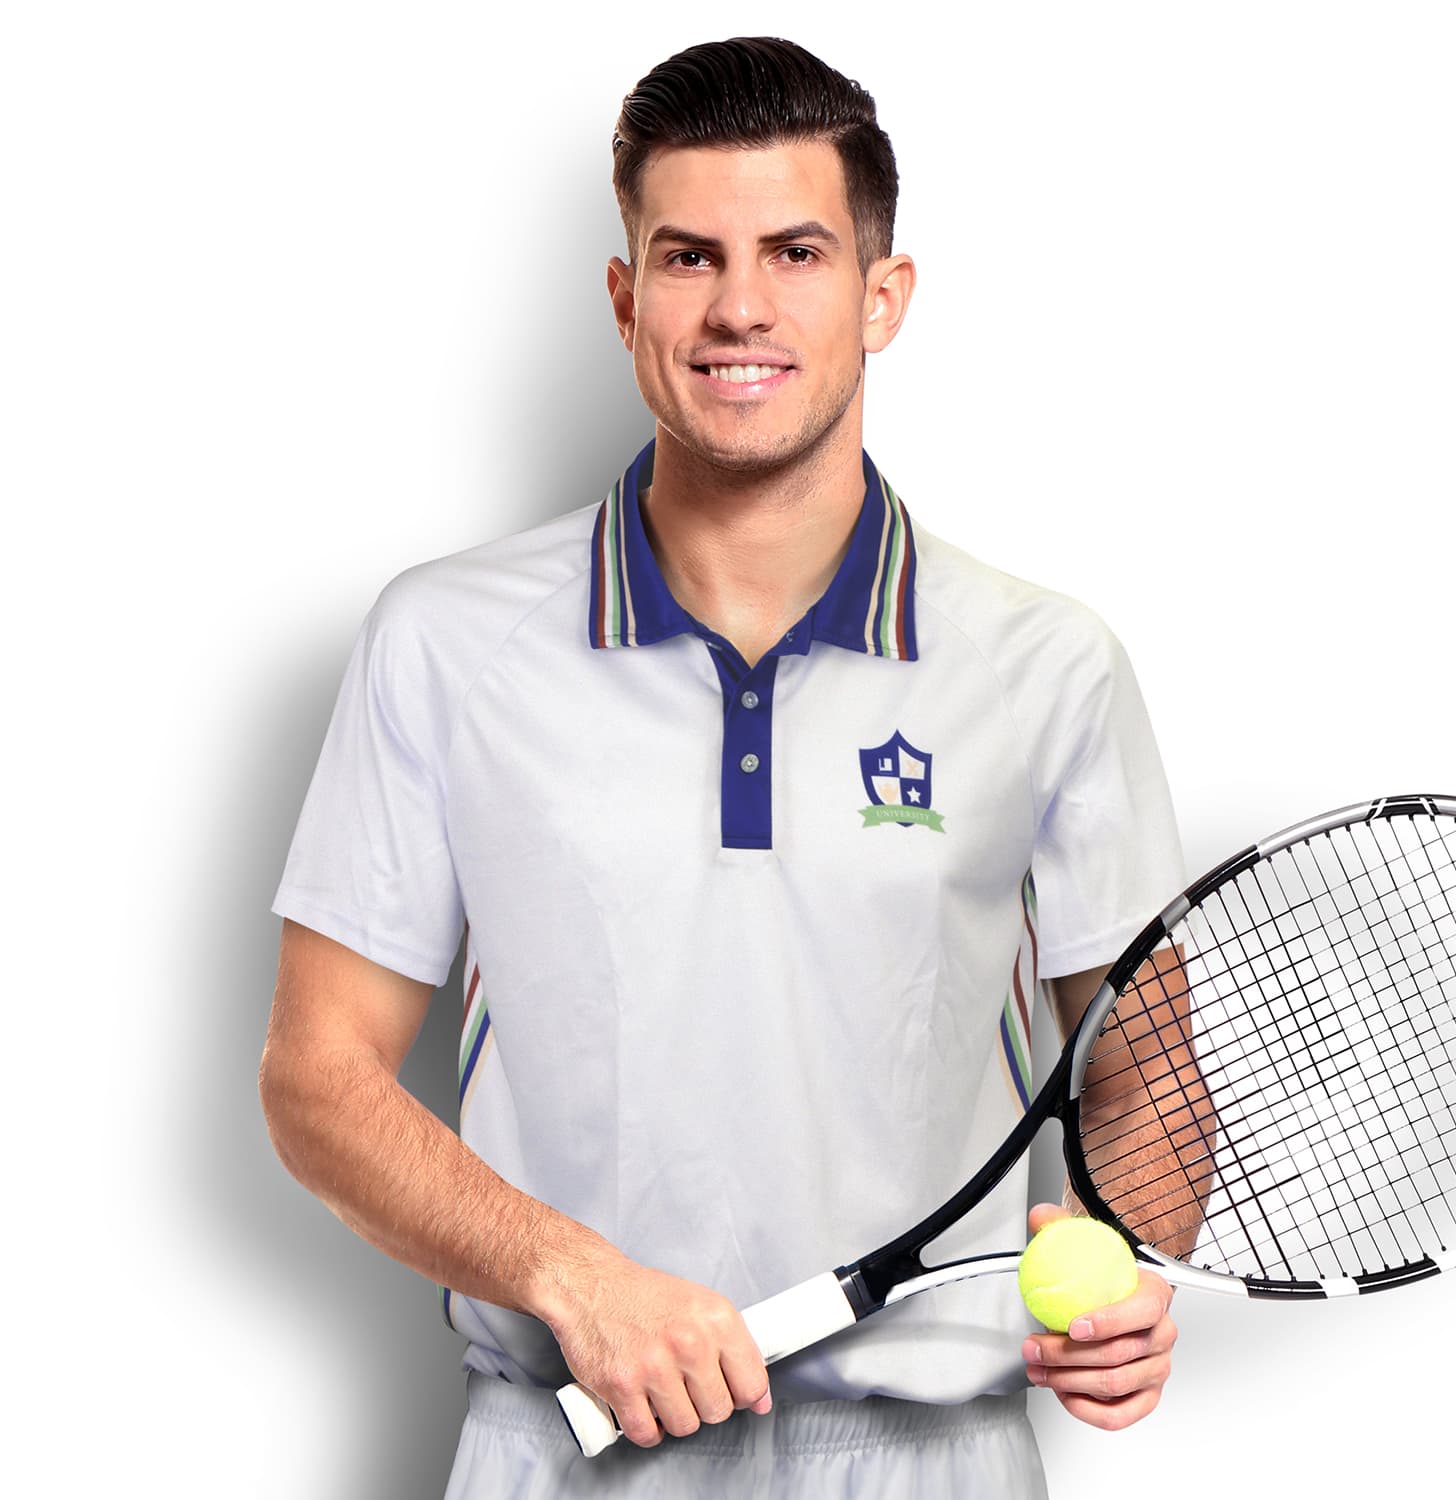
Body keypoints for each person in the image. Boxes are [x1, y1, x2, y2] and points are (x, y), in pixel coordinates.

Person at [261, 35, 1186, 1498]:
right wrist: (568, 1274)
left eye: (795, 253)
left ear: (883, 297)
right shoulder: (443, 643)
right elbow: (318, 1078)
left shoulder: (1045, 665)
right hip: (562, 1447)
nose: (739, 306)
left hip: (926, 1461)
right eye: (688, 256)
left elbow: (1146, 1075)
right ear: (625, 298)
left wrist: (1127, 1256)